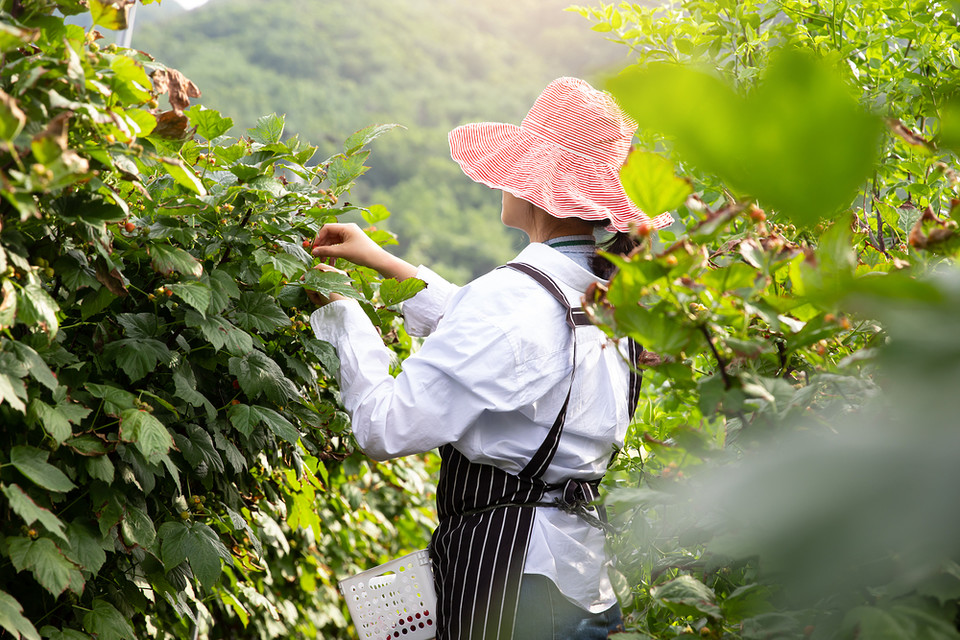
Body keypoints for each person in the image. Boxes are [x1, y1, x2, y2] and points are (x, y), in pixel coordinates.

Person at [306, 77, 673, 640]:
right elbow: (500, 339)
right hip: (577, 582)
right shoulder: (604, 297)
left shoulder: (517, 298)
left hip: (513, 592)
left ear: (538, 183)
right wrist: (380, 260)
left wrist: (341, 314)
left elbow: (383, 427)